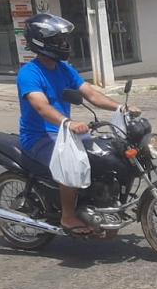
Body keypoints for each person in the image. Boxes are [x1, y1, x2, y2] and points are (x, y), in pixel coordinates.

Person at [17, 12, 139, 236]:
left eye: (64, 39)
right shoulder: (29, 73)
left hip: (66, 133)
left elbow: (91, 95)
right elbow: (41, 106)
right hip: (39, 138)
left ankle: (100, 203)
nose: (64, 44)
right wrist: (68, 122)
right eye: (58, 40)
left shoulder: (65, 69)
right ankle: (68, 216)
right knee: (72, 161)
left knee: (109, 154)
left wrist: (121, 108)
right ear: (41, 41)